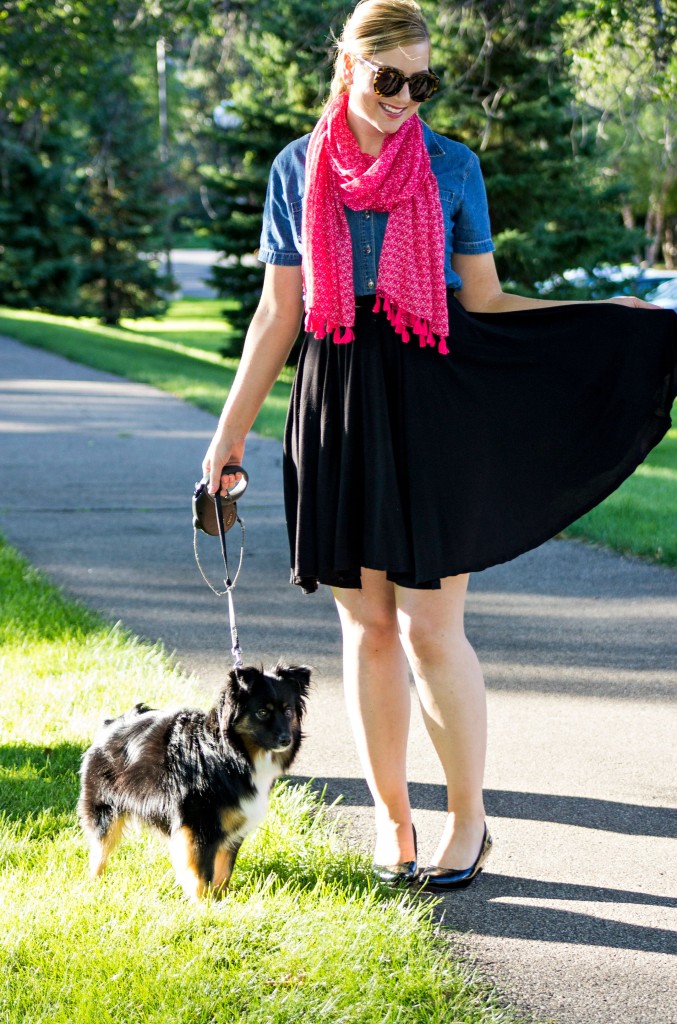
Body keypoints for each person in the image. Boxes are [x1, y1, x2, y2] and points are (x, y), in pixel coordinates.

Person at [203, 0, 677, 889]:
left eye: (423, 83)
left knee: (428, 625)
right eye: (390, 80)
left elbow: (486, 300)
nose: (406, 99)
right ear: (349, 64)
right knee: (367, 628)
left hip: (432, 395)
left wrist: (601, 317)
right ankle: (393, 820)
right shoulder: (296, 168)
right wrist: (228, 435)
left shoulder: (452, 166)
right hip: (335, 394)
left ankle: (470, 820)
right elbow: (279, 311)